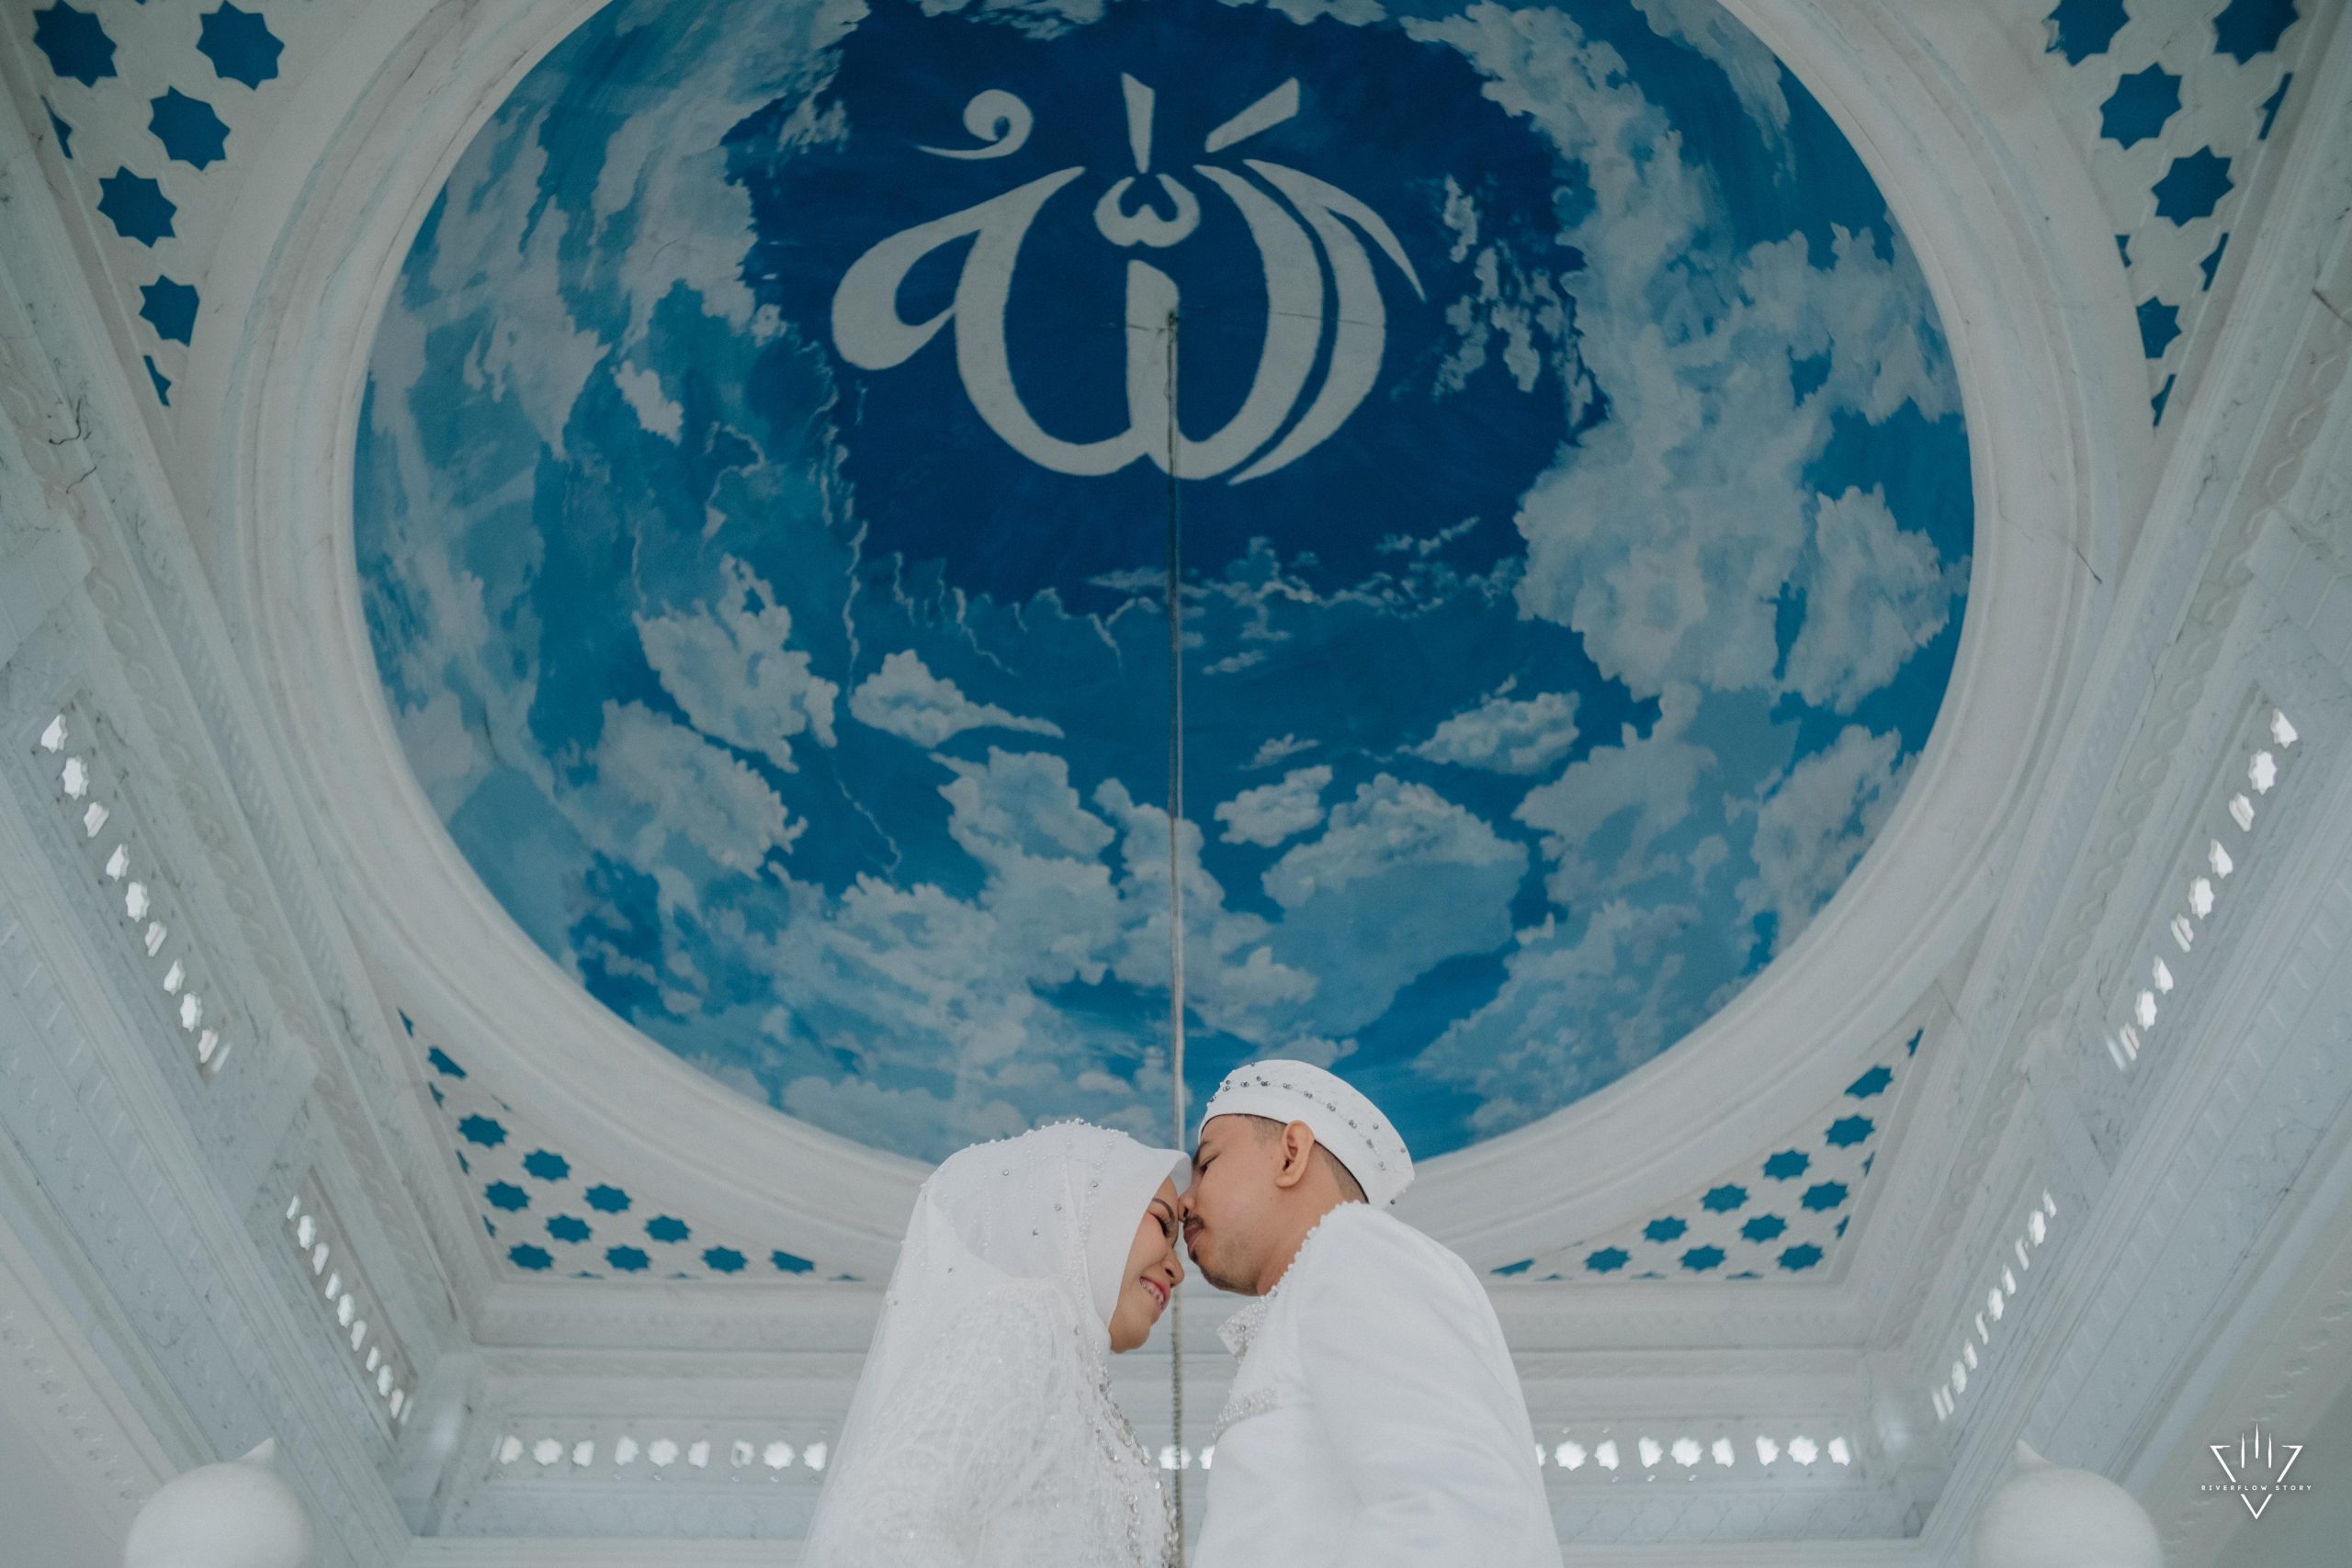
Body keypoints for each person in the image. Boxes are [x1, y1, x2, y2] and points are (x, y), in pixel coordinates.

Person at [1183, 1060, 1563, 1568]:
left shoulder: (1353, 1248)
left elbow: (1454, 1510)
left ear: (1291, 1154)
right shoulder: (1313, 1284)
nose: (1184, 1200)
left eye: (1207, 1164)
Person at [801, 1121, 1188, 1568]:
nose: (1177, 1269)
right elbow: (875, 1527)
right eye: (1162, 1223)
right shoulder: (1027, 1322)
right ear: (1084, 1212)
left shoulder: (1079, 1380)